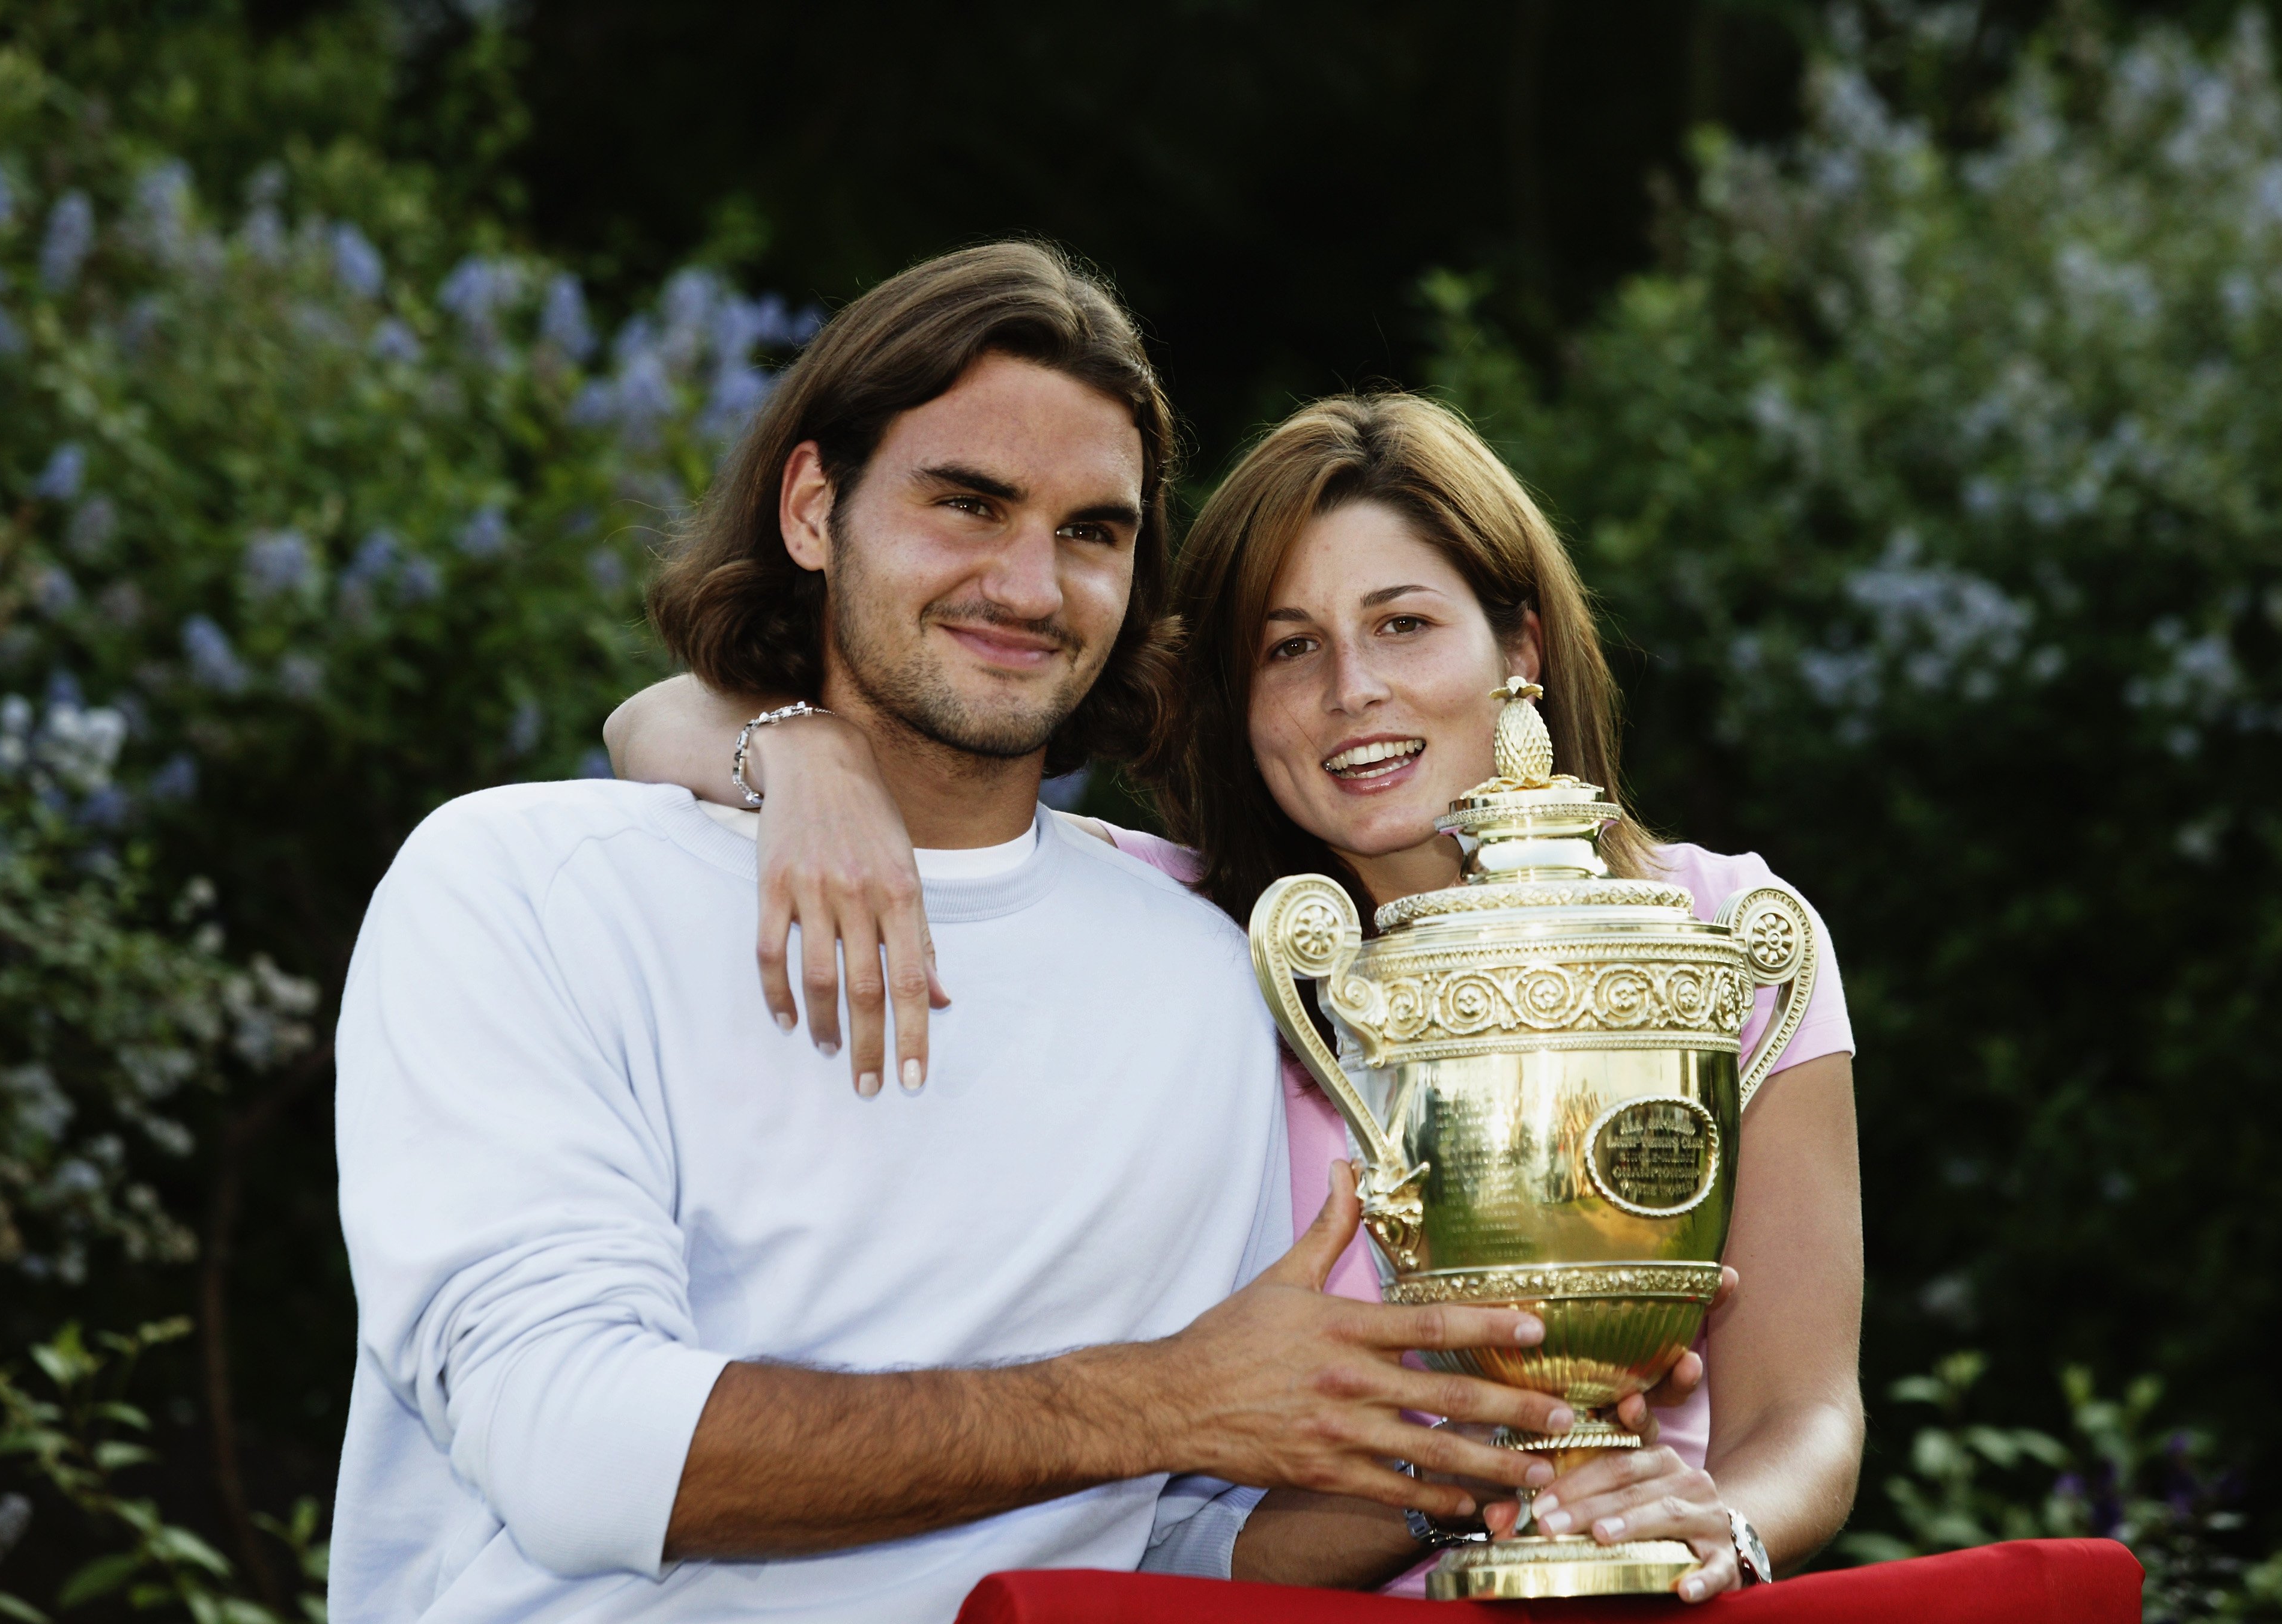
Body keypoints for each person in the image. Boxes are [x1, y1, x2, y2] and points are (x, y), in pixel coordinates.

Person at [329, 247, 1588, 1624]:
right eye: (969, 503)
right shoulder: (526, 885)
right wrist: (1165, 1396)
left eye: (1092, 531)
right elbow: (573, 1445)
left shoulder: (1202, 977)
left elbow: (1159, 1548)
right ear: (814, 508)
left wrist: (1475, 1442)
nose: (1029, 583)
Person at [607, 394, 1866, 1598]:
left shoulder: (1726, 935)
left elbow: (1801, 1412)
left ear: (1519, 645)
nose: (1351, 690)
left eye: (1404, 624)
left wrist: (1720, 1522)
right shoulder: (1180, 936)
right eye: (1288, 647)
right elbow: (647, 720)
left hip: (1661, 1595)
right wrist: (804, 749)